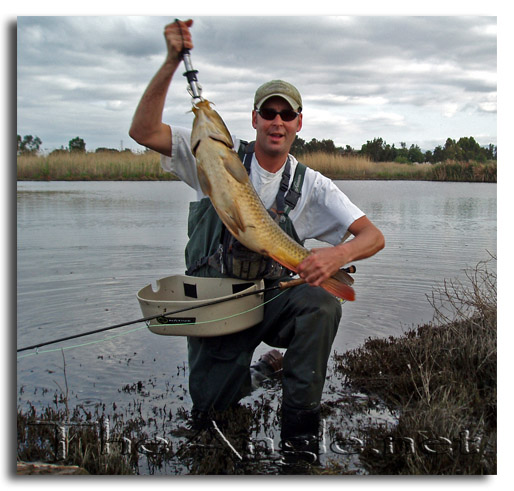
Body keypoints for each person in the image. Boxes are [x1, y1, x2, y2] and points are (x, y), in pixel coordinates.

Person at [129, 19, 385, 460]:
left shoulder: (313, 185)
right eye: (269, 112)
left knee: (323, 304)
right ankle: (262, 372)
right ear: (253, 119)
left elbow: (373, 236)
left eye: (287, 114)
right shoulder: (212, 159)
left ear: (299, 123)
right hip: (217, 303)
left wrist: (335, 257)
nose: (277, 122)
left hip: (269, 297)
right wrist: (172, 62)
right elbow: (143, 131)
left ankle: (299, 438)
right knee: (211, 416)